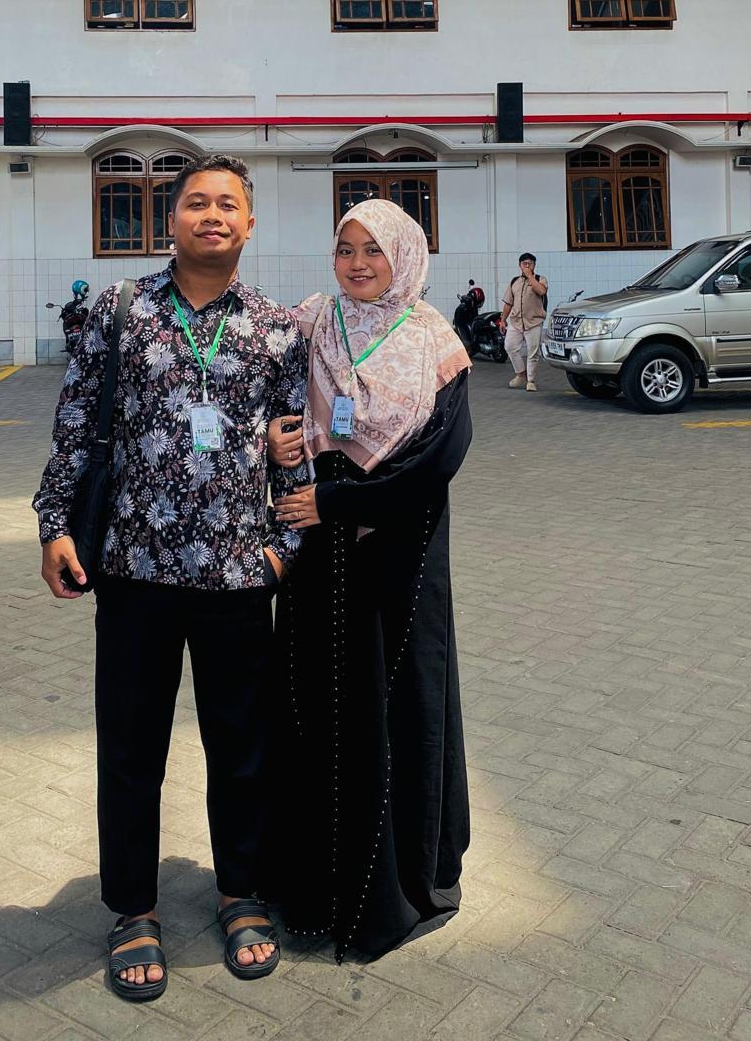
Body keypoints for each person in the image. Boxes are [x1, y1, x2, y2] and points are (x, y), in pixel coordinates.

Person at [34, 155, 307, 1003]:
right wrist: (53, 524)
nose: (211, 215)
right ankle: (133, 909)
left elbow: (296, 449)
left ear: (249, 224)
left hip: (238, 577)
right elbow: (74, 425)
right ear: (172, 219)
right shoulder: (120, 312)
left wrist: (281, 553)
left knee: (243, 751)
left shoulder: (276, 329)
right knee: (130, 750)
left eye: (228, 204)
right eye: (196, 202)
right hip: (134, 572)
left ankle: (241, 893)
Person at [266, 199, 473, 963]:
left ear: (405, 257)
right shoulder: (312, 323)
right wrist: (269, 436)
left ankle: (395, 885)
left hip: (399, 558)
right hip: (319, 562)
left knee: (396, 702)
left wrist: (338, 502)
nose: (357, 264)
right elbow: (261, 392)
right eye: (345, 248)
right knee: (317, 707)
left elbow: (439, 459)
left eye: (373, 251)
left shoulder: (435, 341)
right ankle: (312, 886)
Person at [499, 252, 548, 393]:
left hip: (534, 321)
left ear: (534, 265)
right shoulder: (514, 281)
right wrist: (503, 320)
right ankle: (521, 374)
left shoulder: (540, 279)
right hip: (516, 321)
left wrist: (530, 276)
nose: (527, 266)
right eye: (524, 263)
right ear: (519, 265)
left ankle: (531, 381)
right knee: (509, 346)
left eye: (530, 263)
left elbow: (541, 291)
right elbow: (508, 303)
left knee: (533, 352)